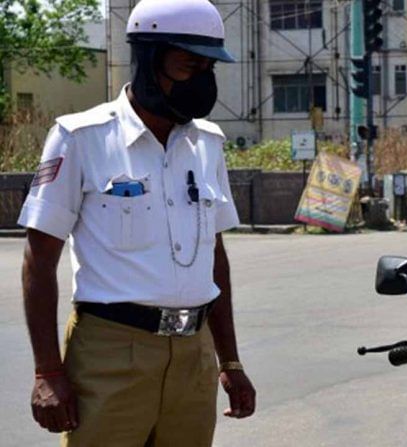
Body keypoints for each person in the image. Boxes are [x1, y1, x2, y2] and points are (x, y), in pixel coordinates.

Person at [19, 0, 255, 445]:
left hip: (193, 354)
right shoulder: (82, 138)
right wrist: (48, 371)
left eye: (209, 68)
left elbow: (214, 258)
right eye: (189, 65)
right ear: (149, 60)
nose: (202, 80)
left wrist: (231, 361)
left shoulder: (208, 144)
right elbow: (39, 260)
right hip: (111, 351)